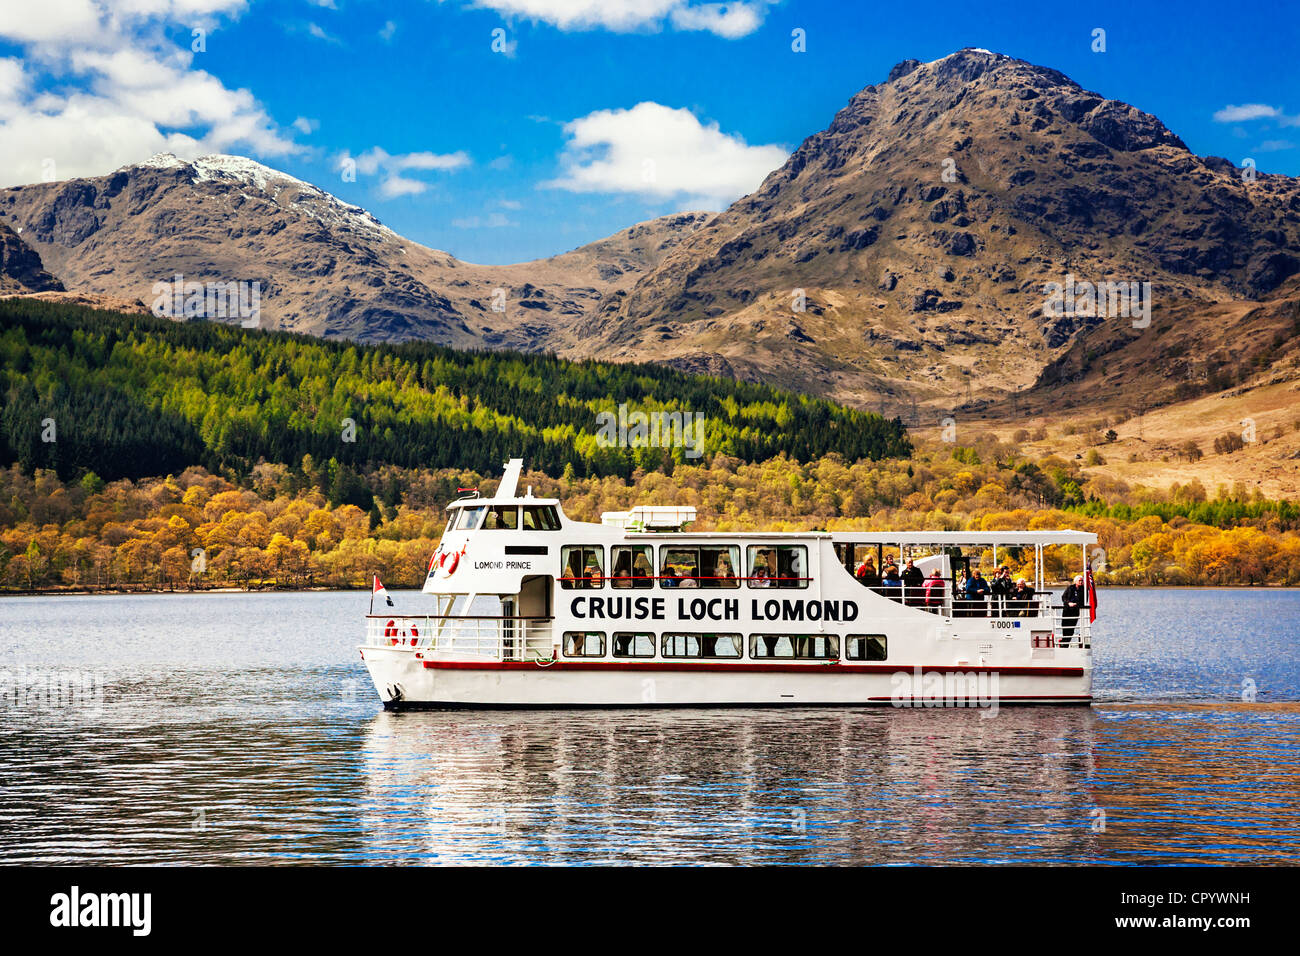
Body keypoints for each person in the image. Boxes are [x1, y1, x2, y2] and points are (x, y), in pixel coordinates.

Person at [1060, 575, 1085, 645]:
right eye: (1079, 580)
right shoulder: (1070, 588)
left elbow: (1084, 601)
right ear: (1075, 581)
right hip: (1067, 609)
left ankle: (1065, 643)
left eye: (1082, 581)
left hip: (1075, 610)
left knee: (1071, 628)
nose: (1081, 582)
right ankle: (1064, 641)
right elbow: (1063, 597)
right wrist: (1068, 603)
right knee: (1064, 625)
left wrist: (1076, 604)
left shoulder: (1084, 590)